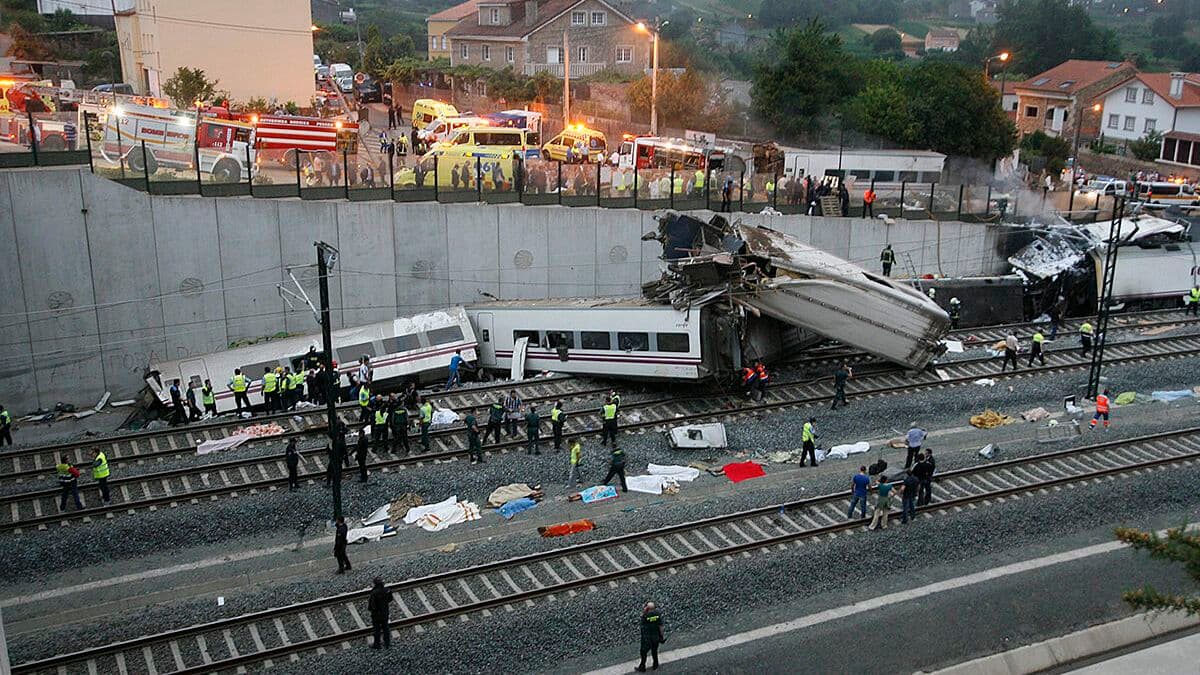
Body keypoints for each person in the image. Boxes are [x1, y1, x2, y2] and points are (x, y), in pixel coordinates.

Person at [636, 601, 666, 672]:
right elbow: (661, 626)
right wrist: (661, 636)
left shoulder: (645, 615)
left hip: (647, 638)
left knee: (643, 652)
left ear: (647, 608)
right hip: (655, 637)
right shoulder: (657, 614)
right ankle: (655, 665)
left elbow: (642, 618)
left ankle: (642, 667)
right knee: (654, 651)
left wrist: (645, 610)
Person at [368, 576, 393, 649]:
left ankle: (377, 644)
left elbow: (372, 605)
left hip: (376, 614)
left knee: (377, 630)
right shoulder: (387, 590)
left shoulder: (374, 593)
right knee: (386, 628)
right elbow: (390, 599)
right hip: (385, 612)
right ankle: (387, 643)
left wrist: (372, 610)